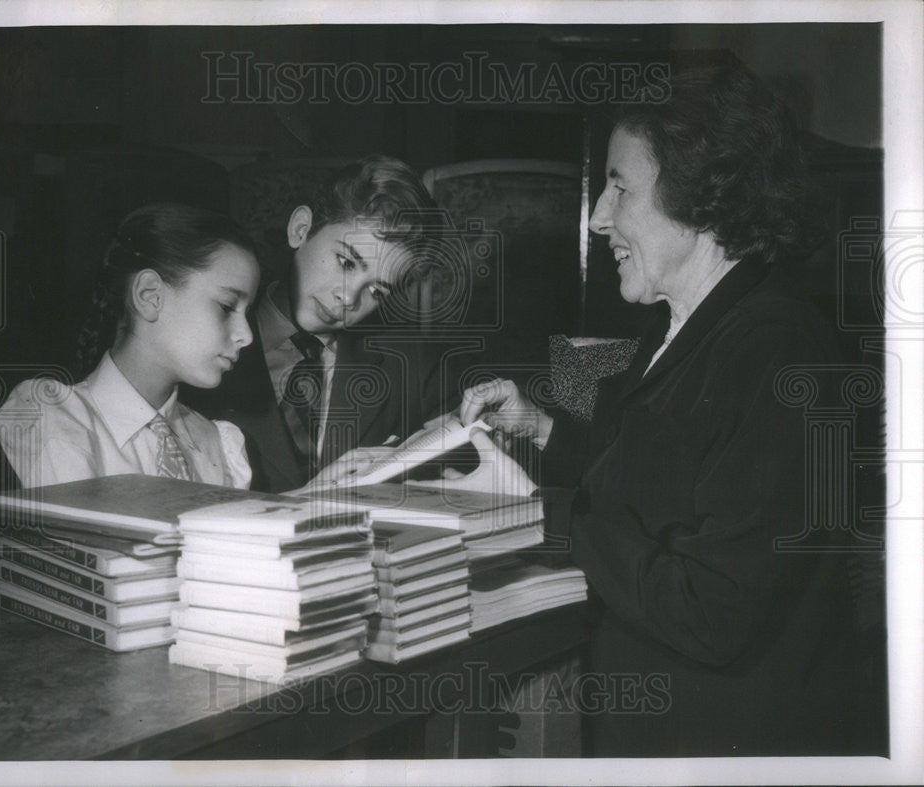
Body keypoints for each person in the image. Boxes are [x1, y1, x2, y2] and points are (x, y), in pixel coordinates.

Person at [418, 66, 864, 756]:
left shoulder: (780, 353)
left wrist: (554, 519)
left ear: (702, 197)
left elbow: (712, 612)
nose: (598, 217)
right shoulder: (685, 324)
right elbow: (661, 479)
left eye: (620, 186)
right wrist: (539, 426)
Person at [198, 154, 451, 493]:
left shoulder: (411, 365)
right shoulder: (200, 342)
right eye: (346, 262)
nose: (348, 299)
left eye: (376, 290)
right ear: (300, 229)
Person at [0, 203, 260, 489]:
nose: (246, 335)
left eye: (247, 313)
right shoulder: (52, 416)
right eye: (227, 306)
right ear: (150, 296)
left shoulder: (218, 443)